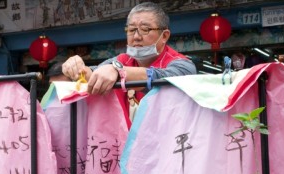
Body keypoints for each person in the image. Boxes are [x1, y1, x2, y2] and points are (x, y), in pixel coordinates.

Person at [61, 1, 196, 124]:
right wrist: (77, 68)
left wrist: (118, 71)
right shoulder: (122, 60)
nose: (136, 37)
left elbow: (163, 77)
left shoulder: (182, 65)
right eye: (131, 30)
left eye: (145, 29)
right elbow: (93, 74)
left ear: (164, 36)